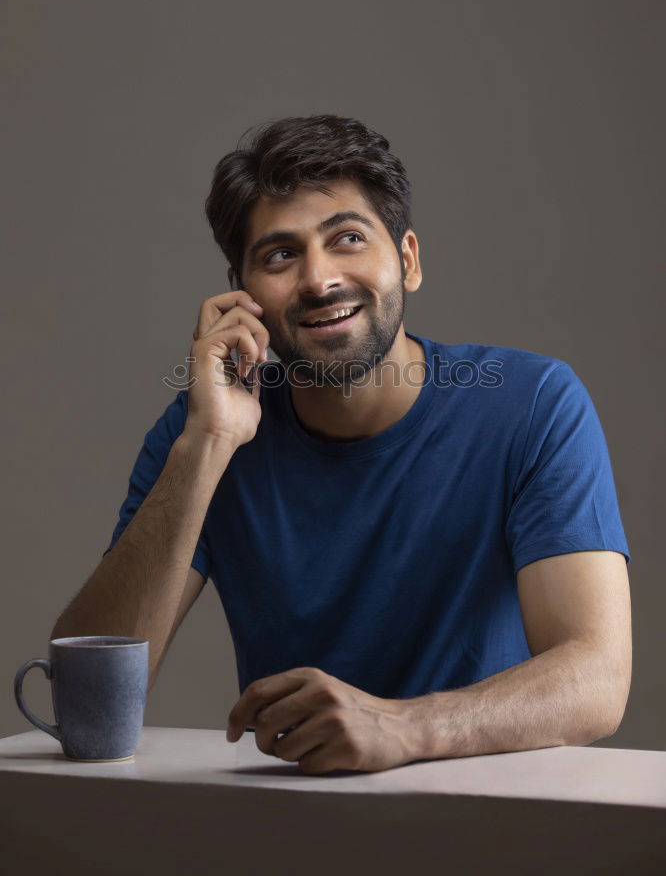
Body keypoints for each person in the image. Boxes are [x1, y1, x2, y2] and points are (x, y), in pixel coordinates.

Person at [51, 114, 632, 776]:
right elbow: (85, 705)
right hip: (294, 827)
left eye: (348, 238)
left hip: (487, 821)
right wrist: (208, 444)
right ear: (244, 298)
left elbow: (597, 679)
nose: (319, 279)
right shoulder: (203, 430)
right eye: (280, 255)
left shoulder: (531, 405)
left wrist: (402, 727)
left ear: (407, 261)